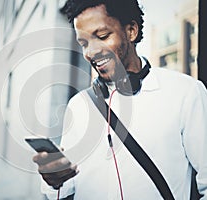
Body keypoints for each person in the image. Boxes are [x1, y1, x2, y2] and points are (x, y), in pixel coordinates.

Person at [32, 0, 207, 199]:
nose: (91, 52)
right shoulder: (78, 106)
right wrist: (54, 181)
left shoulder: (186, 93)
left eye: (103, 36)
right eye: (84, 43)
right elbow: (64, 190)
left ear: (131, 30)